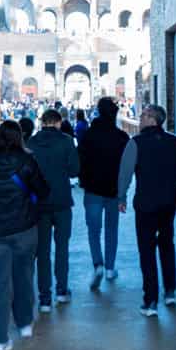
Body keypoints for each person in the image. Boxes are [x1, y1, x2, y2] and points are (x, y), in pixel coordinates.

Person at [0, 121, 48, 350]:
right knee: (23, 275)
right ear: (19, 138)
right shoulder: (27, 162)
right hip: (24, 228)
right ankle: (25, 323)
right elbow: (43, 190)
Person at [118, 104, 176, 318]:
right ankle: (170, 291)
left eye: (143, 115)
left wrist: (121, 196)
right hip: (168, 203)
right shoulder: (174, 142)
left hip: (145, 204)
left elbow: (125, 173)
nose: (140, 118)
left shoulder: (136, 143)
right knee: (167, 244)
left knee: (146, 250)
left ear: (152, 119)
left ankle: (150, 301)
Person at [29, 108, 79, 310]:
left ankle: (44, 298)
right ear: (58, 123)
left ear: (42, 122)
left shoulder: (31, 143)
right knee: (62, 248)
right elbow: (75, 170)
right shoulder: (67, 141)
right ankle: (62, 291)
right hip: (62, 201)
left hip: (39, 203)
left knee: (42, 251)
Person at [78, 96, 129, 290]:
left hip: (92, 189)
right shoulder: (122, 137)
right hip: (114, 190)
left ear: (98, 112)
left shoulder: (88, 136)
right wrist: (123, 192)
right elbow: (126, 168)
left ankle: (98, 264)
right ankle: (109, 268)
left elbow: (80, 161)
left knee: (93, 230)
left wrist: (83, 179)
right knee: (111, 229)